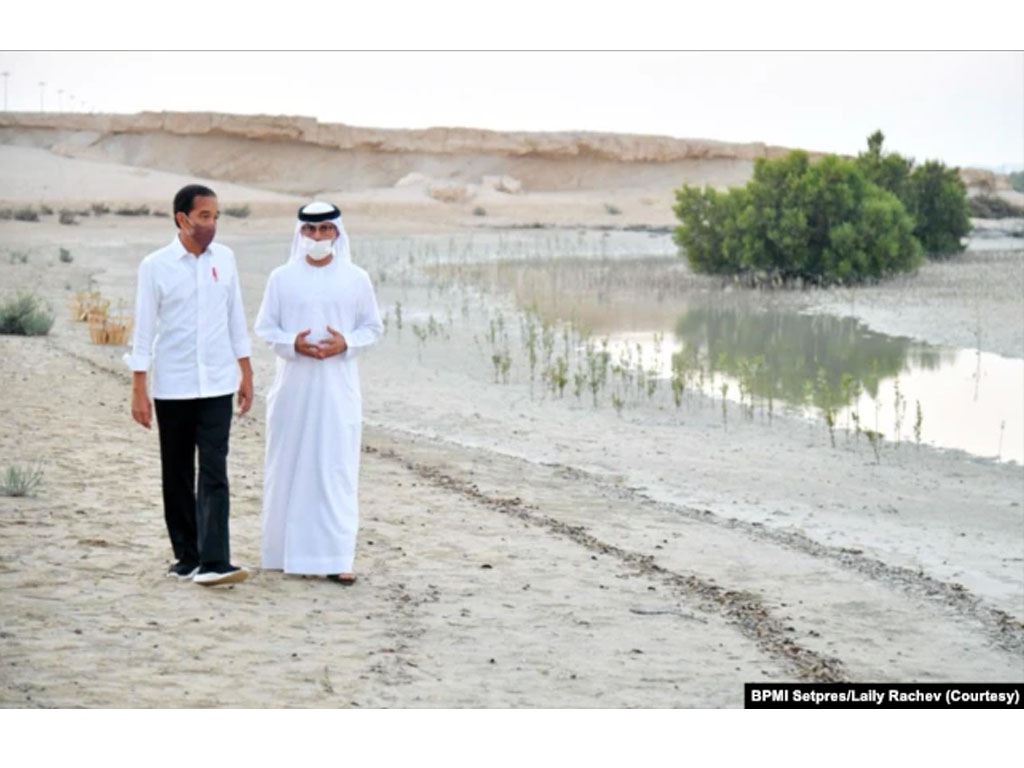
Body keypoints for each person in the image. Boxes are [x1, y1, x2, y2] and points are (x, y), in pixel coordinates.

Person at [125, 184, 253, 586]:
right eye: (204, 216)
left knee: (214, 468)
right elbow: (144, 330)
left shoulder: (226, 259)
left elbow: (236, 317)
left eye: (216, 216)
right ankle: (187, 556)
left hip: (217, 382)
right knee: (177, 470)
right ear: (182, 219)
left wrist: (245, 372)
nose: (211, 224)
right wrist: (138, 388)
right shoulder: (155, 265)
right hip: (174, 384)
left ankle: (216, 561)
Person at [254, 201, 382, 584]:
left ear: (337, 233)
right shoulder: (281, 277)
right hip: (292, 388)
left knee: (335, 468)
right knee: (288, 466)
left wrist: (346, 344)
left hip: (336, 390)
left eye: (325, 230)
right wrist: (292, 342)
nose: (317, 237)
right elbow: (265, 328)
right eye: (310, 230)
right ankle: (282, 554)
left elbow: (372, 328)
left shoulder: (357, 278)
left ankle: (337, 557)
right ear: (300, 233)